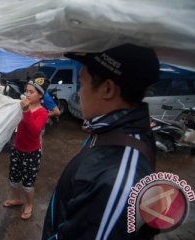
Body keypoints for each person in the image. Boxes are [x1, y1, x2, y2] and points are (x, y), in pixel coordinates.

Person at [42, 44, 160, 239]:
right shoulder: (114, 132)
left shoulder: (117, 185)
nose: (79, 93)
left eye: (82, 83)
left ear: (107, 88)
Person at [3, 76, 49, 220]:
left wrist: (26, 111)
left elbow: (35, 132)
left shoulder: (42, 112)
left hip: (32, 153)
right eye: (26, 91)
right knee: (14, 178)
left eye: (31, 92)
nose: (27, 94)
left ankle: (29, 204)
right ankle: (17, 199)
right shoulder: (22, 105)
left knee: (28, 183)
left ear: (40, 95)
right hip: (17, 149)